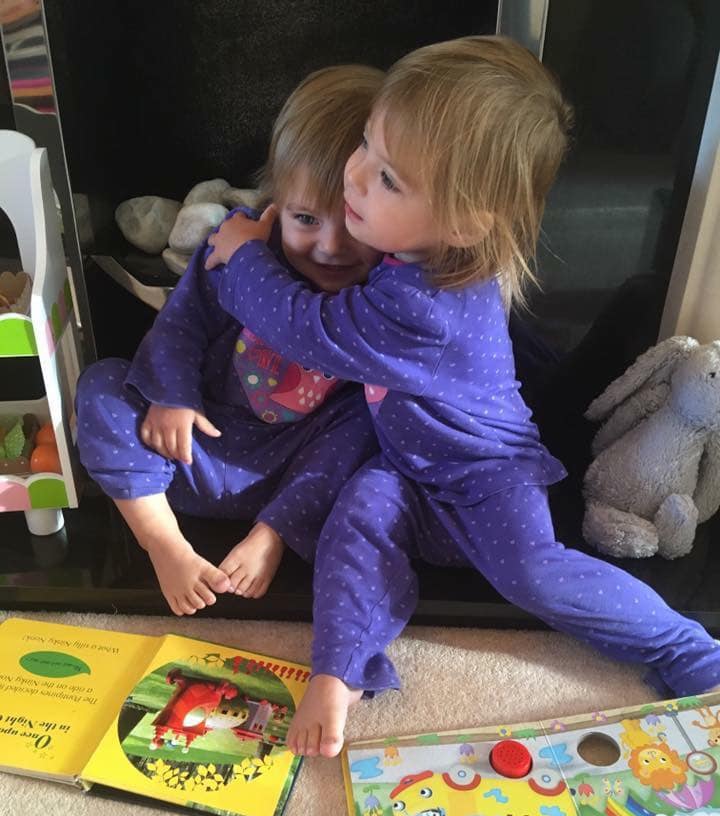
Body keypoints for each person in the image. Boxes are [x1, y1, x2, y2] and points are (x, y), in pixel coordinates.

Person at [205, 35, 720, 757]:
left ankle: (685, 648)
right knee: (355, 521)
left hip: (486, 480)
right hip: (413, 471)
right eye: (364, 146)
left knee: (535, 575)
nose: (352, 178)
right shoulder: (419, 251)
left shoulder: (422, 305)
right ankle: (340, 669)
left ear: (466, 223)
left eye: (387, 179)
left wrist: (240, 260)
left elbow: (306, 329)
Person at [75, 64, 383, 616]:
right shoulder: (242, 246)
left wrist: (277, 526)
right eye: (306, 218)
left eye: (355, 222)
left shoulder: (390, 284)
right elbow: (182, 323)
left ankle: (271, 539)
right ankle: (163, 542)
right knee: (100, 386)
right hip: (191, 449)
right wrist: (173, 396)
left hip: (292, 477)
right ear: (274, 205)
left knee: (370, 424)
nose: (330, 246)